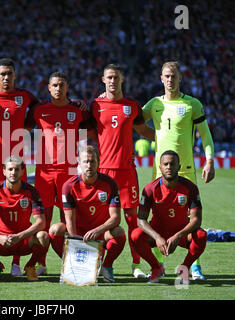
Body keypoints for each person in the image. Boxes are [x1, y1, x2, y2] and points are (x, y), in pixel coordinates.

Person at [142, 61, 215, 280]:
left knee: (190, 218)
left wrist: (209, 160)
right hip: (160, 172)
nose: (170, 80)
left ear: (180, 78)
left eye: (174, 76)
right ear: (161, 79)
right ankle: (159, 263)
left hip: (186, 170)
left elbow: (205, 133)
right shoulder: (153, 104)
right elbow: (133, 122)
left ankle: (194, 266)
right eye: (166, 76)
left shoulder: (192, 104)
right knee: (157, 218)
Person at [88, 64, 155, 278]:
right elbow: (89, 130)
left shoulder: (132, 106)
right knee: (102, 220)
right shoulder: (95, 105)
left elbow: (144, 130)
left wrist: (166, 139)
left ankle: (136, 265)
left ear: (122, 79)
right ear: (103, 79)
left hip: (127, 171)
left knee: (132, 219)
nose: (112, 81)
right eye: (109, 77)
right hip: (104, 171)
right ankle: (103, 264)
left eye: (116, 77)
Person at [0, 58, 39, 276]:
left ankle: (17, 263)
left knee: (20, 212)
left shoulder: (25, 96)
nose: (6, 77)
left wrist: (25, 128)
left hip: (16, 163)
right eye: (2, 74)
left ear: (15, 75)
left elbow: (41, 111)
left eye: (9, 73)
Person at [24, 71, 90, 274]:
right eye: (54, 85)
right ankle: (40, 262)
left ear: (67, 87)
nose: (58, 89)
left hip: (68, 173)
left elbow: (91, 130)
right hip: (44, 173)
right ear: (49, 88)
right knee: (42, 218)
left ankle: (72, 262)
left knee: (69, 219)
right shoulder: (39, 110)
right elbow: (23, 128)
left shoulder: (78, 111)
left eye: (62, 85)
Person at [48, 145, 125, 283]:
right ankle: (71, 264)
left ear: (98, 162)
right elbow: (69, 222)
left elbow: (116, 218)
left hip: (100, 234)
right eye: (85, 161)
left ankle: (106, 266)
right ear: (79, 163)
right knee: (55, 229)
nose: (89, 165)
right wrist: (76, 243)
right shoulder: (69, 186)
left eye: (92, 161)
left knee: (119, 232)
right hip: (78, 234)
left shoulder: (110, 183)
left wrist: (97, 230)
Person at [131, 150, 207, 284]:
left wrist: (178, 236)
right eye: (165, 164)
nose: (169, 167)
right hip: (158, 232)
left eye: (172, 164)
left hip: (181, 233)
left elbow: (196, 219)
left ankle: (185, 269)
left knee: (201, 235)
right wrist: (157, 237)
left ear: (179, 166)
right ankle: (156, 268)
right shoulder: (150, 189)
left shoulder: (190, 188)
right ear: (160, 167)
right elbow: (140, 219)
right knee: (136, 235)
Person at [0, 156, 50, 281]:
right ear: (4, 171)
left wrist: (19, 236)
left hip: (23, 241)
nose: (13, 173)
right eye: (10, 169)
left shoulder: (32, 191)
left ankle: (30, 266)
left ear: (22, 171)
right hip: (0, 241)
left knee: (44, 236)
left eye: (16, 169)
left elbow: (41, 222)